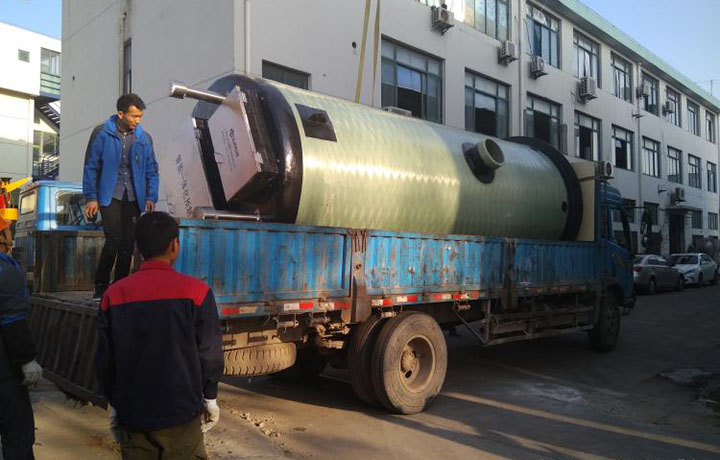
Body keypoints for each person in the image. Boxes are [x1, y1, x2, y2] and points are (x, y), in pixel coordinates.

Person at [95, 212, 224, 460]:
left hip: (133, 417)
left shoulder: (113, 295)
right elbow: (210, 354)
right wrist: (210, 397)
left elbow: (105, 360)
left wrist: (114, 404)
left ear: (137, 247)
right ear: (175, 245)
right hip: (182, 416)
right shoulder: (197, 292)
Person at [83, 93, 159, 300]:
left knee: (128, 243)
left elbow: (152, 170)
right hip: (110, 195)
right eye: (134, 116)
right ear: (120, 114)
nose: (137, 120)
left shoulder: (144, 138)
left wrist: (151, 196)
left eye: (140, 116)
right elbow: (91, 166)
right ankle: (100, 286)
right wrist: (91, 197)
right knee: (114, 239)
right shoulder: (101, 133)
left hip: (134, 197)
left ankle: (119, 286)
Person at [0, 235, 43, 460]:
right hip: (5, 373)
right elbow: (12, 320)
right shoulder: (5, 271)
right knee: (18, 436)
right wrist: (27, 359)